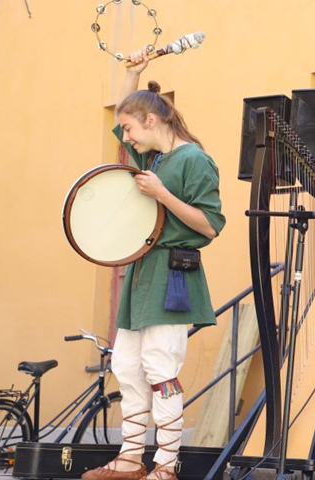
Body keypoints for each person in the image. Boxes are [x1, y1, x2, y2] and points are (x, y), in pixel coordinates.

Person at [83, 50, 226, 480]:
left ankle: (165, 466)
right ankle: (130, 459)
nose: (126, 138)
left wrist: (163, 194)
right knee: (127, 366)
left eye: (130, 128)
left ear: (151, 120)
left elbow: (210, 225)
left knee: (161, 368)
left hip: (172, 276)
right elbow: (124, 119)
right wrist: (133, 74)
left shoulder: (195, 160)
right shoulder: (154, 158)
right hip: (142, 275)